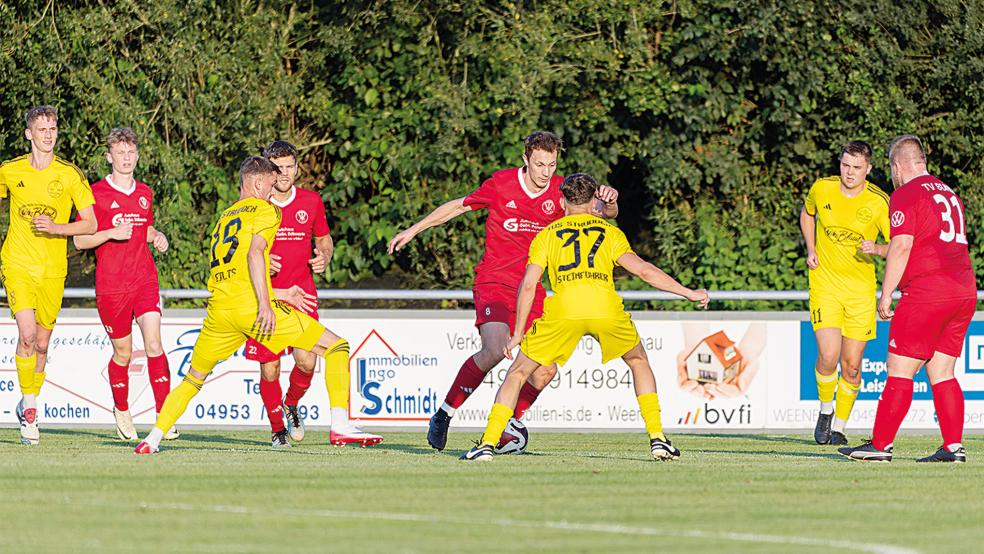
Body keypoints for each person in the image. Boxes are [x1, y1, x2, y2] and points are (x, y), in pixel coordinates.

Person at [387, 131, 619, 451]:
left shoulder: (561, 190)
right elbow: (457, 206)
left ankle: (510, 423)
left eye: (551, 164)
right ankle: (444, 414)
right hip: (494, 282)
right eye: (539, 164)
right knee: (496, 349)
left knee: (545, 371)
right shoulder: (501, 184)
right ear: (525, 160)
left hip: (533, 290)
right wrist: (413, 230)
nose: (546, 172)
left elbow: (602, 214)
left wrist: (611, 203)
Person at [460, 173, 709, 462]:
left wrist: (517, 333)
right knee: (638, 360)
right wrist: (688, 292)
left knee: (517, 373)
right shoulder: (610, 233)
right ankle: (658, 440)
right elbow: (644, 271)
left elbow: (528, 285)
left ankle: (488, 444)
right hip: (604, 308)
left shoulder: (547, 235)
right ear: (594, 202)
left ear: (562, 201)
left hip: (564, 310)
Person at [134, 156, 364, 453]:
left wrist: (281, 294)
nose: (273, 190)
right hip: (253, 310)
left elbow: (235, 274)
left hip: (220, 314)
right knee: (337, 347)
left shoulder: (225, 218)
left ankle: (152, 439)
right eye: (270, 183)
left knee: (192, 379)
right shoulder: (266, 210)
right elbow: (256, 255)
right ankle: (340, 427)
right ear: (257, 182)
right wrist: (267, 305)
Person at [840, 135, 975, 463]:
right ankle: (953, 447)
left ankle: (880, 446)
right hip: (964, 291)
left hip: (928, 293)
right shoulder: (949, 193)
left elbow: (901, 246)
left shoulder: (905, 193)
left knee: (898, 368)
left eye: (891, 168)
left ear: (897, 166)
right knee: (942, 371)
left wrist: (886, 294)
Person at [244, 140, 381, 447]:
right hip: (269, 297)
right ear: (267, 169)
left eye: (289, 166)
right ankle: (277, 430)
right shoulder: (257, 206)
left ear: (297, 167)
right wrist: (262, 261)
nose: (284, 173)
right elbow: (240, 252)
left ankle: (291, 404)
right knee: (270, 368)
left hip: (302, 295)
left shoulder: (311, 201)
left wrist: (324, 255)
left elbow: (325, 238)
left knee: (307, 362)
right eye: (277, 167)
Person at [0, 105, 97, 446]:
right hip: (17, 264)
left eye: (53, 128)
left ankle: (28, 399)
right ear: (28, 133)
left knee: (41, 343)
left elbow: (91, 223)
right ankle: (30, 411)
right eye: (41, 129)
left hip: (53, 270)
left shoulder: (69, 175)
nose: (48, 134)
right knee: (26, 335)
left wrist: (57, 227)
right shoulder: (10, 171)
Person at [73, 127, 176, 441]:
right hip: (112, 286)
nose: (126, 158)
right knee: (123, 353)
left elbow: (143, 229)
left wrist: (157, 236)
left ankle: (165, 416)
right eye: (120, 153)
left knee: (155, 343)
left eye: (131, 152)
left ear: (137, 155)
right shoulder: (96, 193)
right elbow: (79, 239)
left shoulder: (145, 192)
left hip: (144, 278)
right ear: (109, 157)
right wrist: (109, 234)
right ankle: (121, 408)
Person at [799, 141, 890, 445]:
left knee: (851, 366)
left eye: (856, 168)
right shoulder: (822, 188)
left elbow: (900, 246)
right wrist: (811, 249)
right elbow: (806, 214)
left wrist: (876, 248)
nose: (849, 173)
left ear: (869, 169)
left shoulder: (879, 201)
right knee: (827, 355)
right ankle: (826, 411)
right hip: (825, 285)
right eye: (845, 165)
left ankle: (839, 426)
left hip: (860, 293)